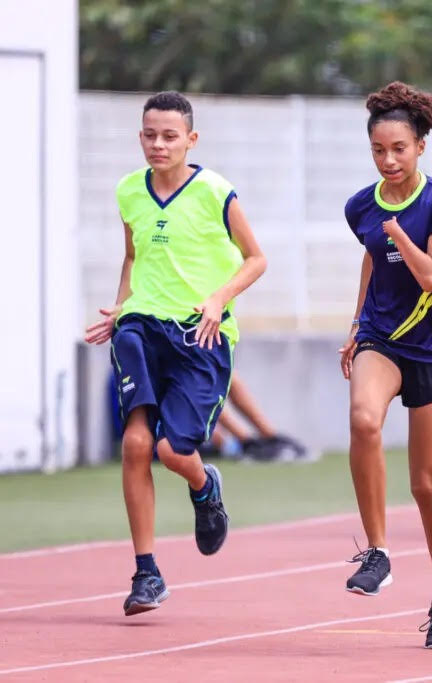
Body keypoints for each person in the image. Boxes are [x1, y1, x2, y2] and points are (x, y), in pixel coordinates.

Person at [84, 91, 267, 616]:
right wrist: (122, 308)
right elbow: (133, 257)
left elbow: (256, 260)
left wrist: (218, 298)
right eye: (149, 134)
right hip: (140, 328)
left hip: (199, 339)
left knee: (170, 450)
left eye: (169, 136)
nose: (158, 144)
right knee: (137, 444)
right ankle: (147, 574)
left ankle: (205, 484)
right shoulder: (128, 191)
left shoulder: (215, 192)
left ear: (191, 139)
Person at [339, 82, 432, 648]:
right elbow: (372, 265)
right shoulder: (359, 206)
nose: (388, 161)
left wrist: (396, 230)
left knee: (427, 486)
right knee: (365, 419)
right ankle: (377, 552)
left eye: (398, 149)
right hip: (381, 338)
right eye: (378, 151)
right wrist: (355, 325)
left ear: (420, 146)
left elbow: (431, 276)